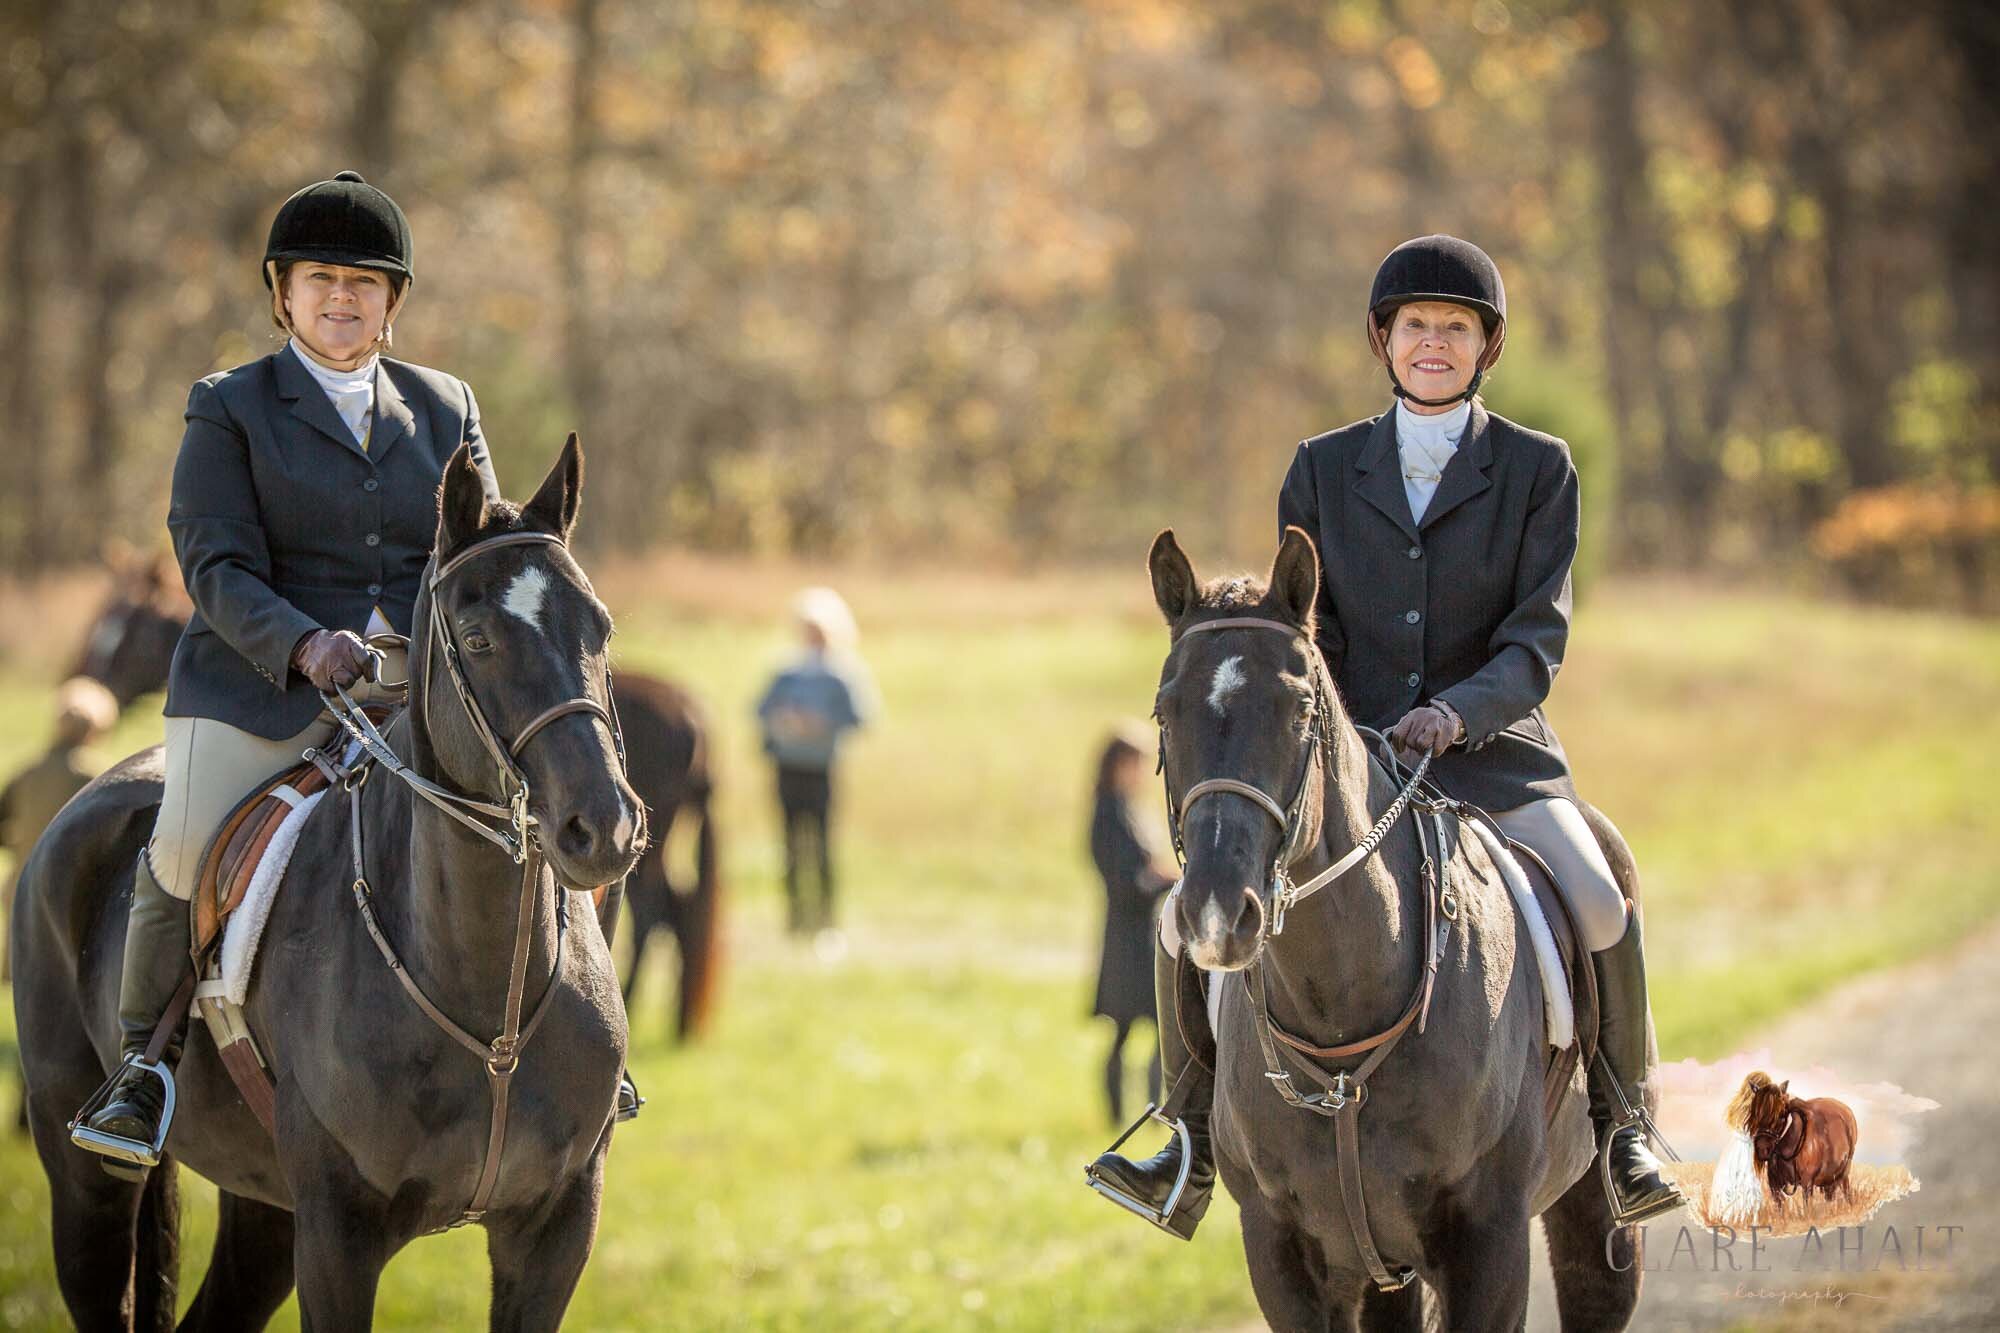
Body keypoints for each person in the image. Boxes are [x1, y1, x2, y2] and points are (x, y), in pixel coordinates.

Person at [1090, 234, 1683, 1235]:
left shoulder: (1539, 469)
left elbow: (1535, 638)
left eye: (1455, 328)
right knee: (1183, 917)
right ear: (1383, 339)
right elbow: (1300, 631)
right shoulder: (1319, 469)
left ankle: (1621, 1125)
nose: (1433, 344)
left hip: (1495, 757)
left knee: (1591, 889)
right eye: (1416, 326)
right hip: (1349, 762)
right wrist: (1351, 734)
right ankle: (1185, 1136)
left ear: (1484, 347)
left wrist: (1456, 712)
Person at [70, 171, 655, 1159]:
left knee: (540, 808)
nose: (342, 298)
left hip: (415, 688)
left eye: (364, 282)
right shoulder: (229, 406)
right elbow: (212, 561)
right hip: (261, 686)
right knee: (179, 846)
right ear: (283, 294)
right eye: (320, 279)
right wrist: (302, 641)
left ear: (392, 302)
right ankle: (145, 1064)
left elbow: (479, 554)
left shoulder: (444, 403)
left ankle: (580, 1038)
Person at [755, 588, 872, 934]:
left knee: (821, 845)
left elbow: (860, 717)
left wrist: (821, 723)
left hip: (820, 768)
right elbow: (761, 710)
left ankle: (825, 919)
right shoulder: (787, 672)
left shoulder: (841, 673)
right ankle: (794, 917)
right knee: (790, 846)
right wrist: (784, 720)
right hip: (787, 766)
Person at [0, 678, 119, 982]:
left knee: (25, 968)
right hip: (72, 884)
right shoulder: (95, 776)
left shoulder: (29, 770)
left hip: (22, 883)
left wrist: (19, 844)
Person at [1087, 728, 1176, 1125]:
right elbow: (1124, 880)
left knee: (1157, 1031)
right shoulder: (1107, 815)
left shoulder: (1133, 810)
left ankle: (1152, 1112)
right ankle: (1120, 1116)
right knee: (1126, 1031)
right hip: (1126, 940)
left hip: (1145, 933)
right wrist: (1165, 880)